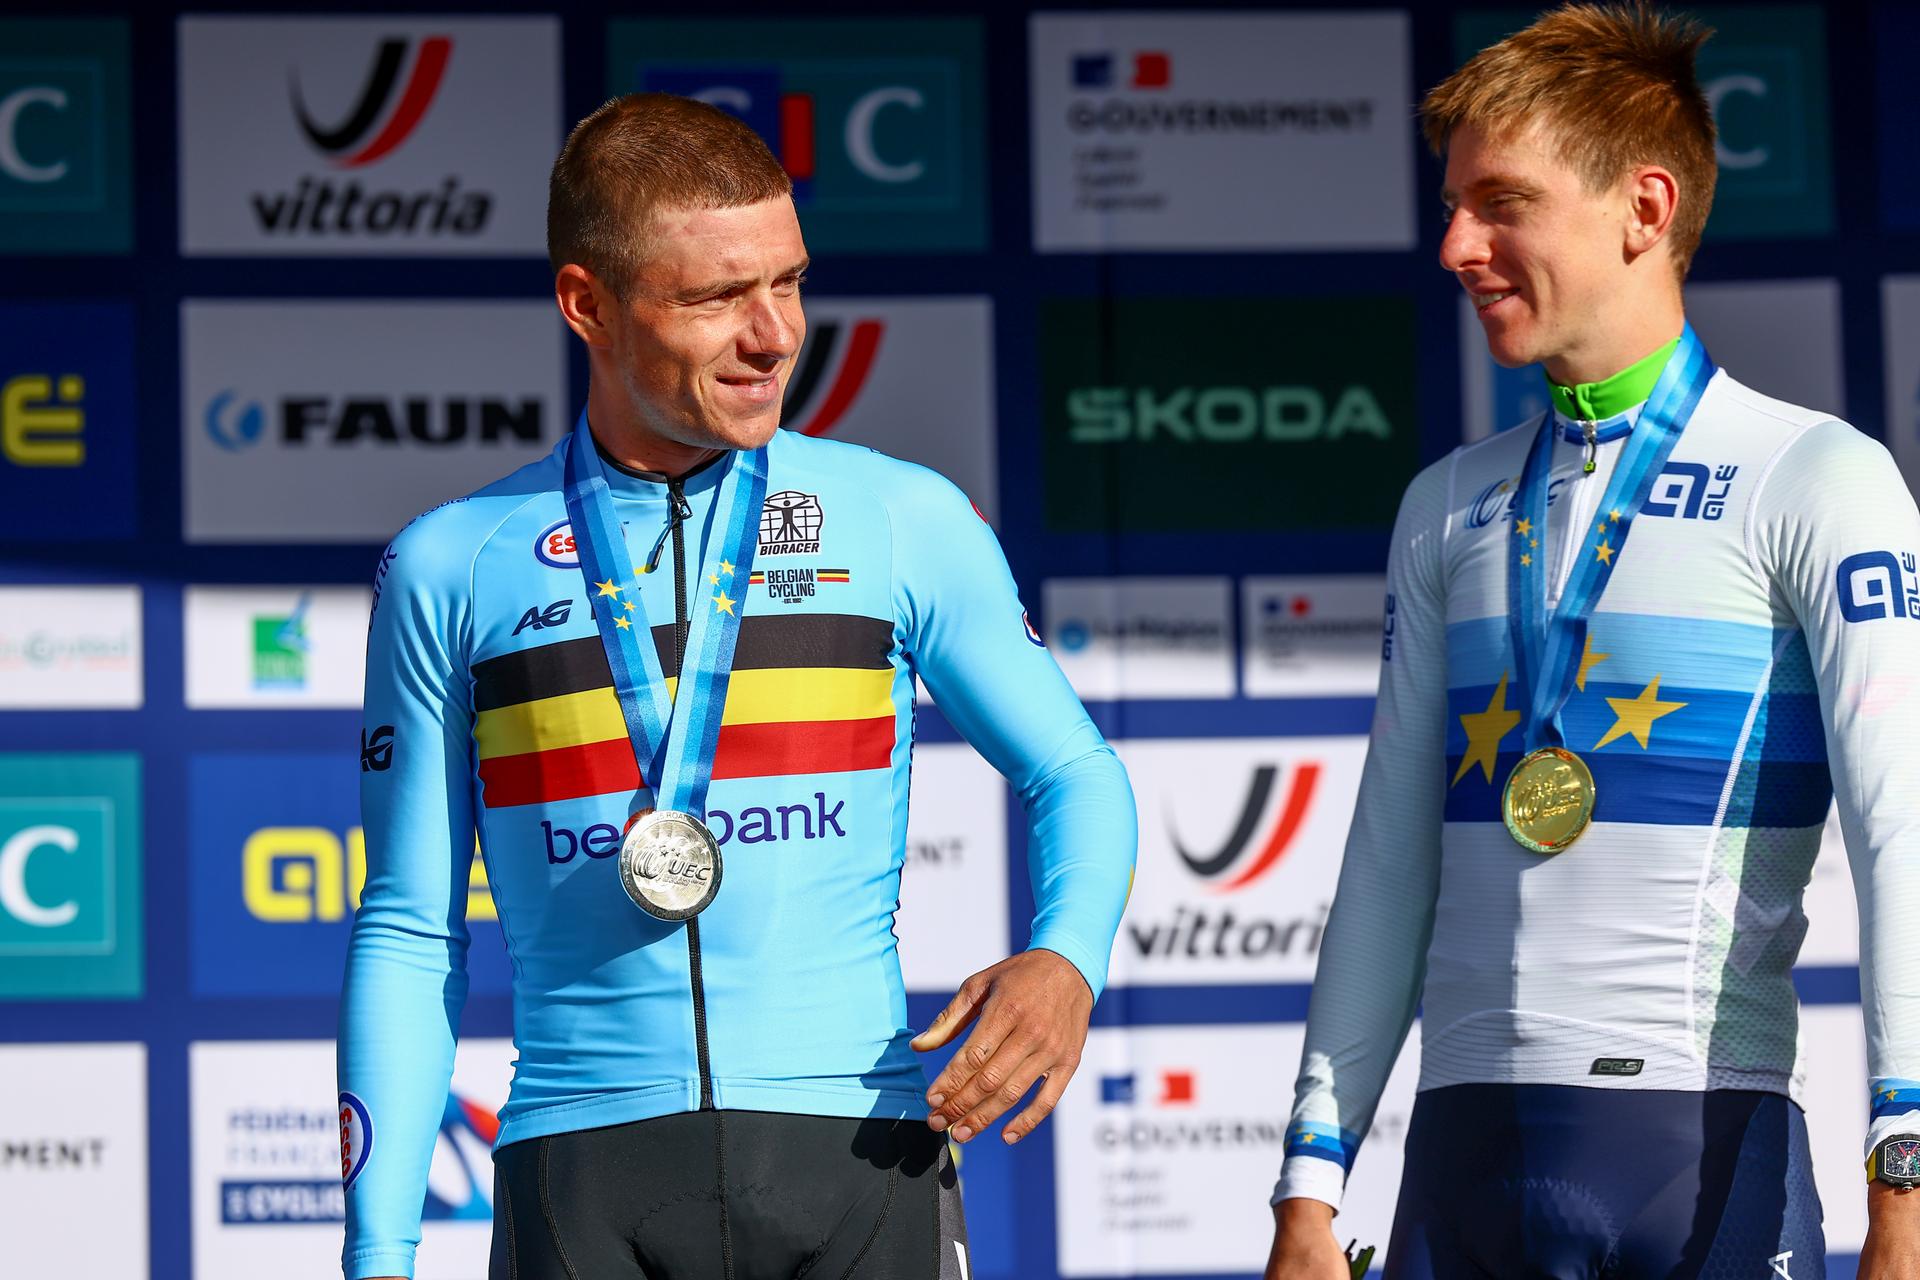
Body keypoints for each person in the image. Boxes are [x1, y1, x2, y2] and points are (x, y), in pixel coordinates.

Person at [338, 92, 1137, 1280]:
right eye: (717, 297)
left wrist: (1066, 955)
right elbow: (409, 926)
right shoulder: (457, 558)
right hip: (583, 1166)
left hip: (862, 1154)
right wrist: (377, 1254)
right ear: (587, 304)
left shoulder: (897, 515)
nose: (774, 334)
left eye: (791, 281)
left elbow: (1075, 769)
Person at [1264, 5, 1920, 1278]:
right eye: (1453, 206)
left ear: (1645, 206)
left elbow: (1906, 839)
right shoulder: (1446, 503)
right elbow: (1388, 862)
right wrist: (1307, 1181)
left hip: (1701, 1153)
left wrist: (1909, 1168)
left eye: (1503, 203)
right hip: (1457, 1169)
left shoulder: (1815, 476)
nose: (1457, 245)